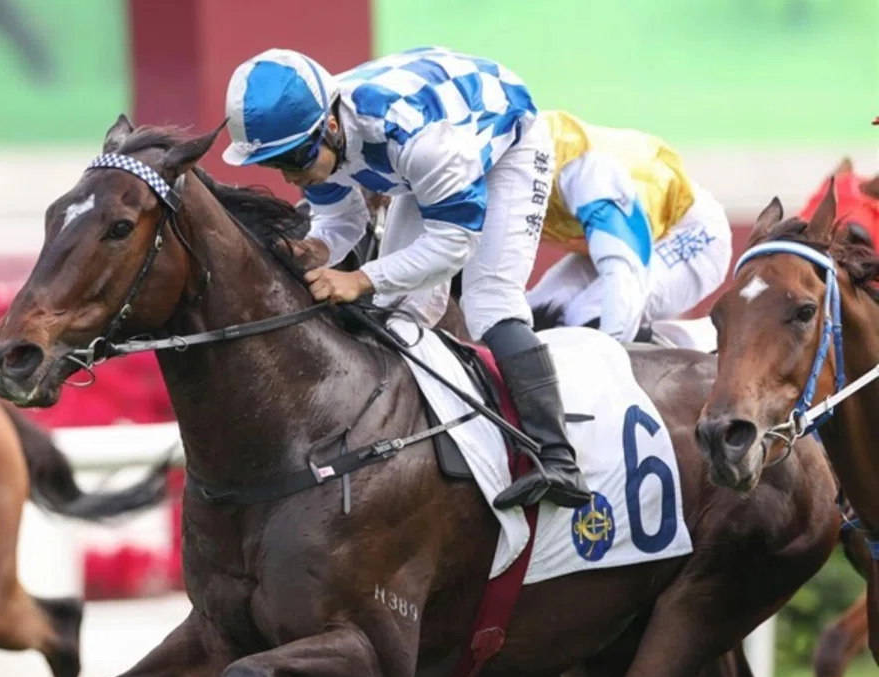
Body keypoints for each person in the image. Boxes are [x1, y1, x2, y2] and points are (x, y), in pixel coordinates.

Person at [221, 47, 590, 509]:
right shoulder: (318, 136)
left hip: (504, 142)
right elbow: (340, 219)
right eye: (275, 164)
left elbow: (454, 243)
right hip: (420, 159)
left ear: (330, 126)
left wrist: (358, 279)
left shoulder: (418, 141)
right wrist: (314, 248)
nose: (291, 177)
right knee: (398, 315)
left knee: (489, 301)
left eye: (294, 159)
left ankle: (558, 458)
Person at [525, 110, 732, 342]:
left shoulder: (584, 173)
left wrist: (609, 345)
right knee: (532, 316)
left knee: (590, 317)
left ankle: (688, 363)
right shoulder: (499, 171)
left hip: (687, 229)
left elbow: (623, 272)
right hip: (622, 232)